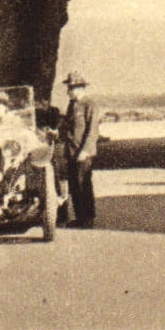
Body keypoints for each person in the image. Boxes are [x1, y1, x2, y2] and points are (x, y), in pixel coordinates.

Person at [61, 71, 102, 228]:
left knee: (83, 183)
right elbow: (68, 127)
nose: (68, 91)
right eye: (68, 88)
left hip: (83, 153)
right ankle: (79, 217)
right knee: (73, 185)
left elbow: (92, 130)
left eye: (70, 88)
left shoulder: (89, 104)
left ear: (79, 88)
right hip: (72, 151)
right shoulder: (72, 105)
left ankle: (88, 217)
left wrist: (85, 151)